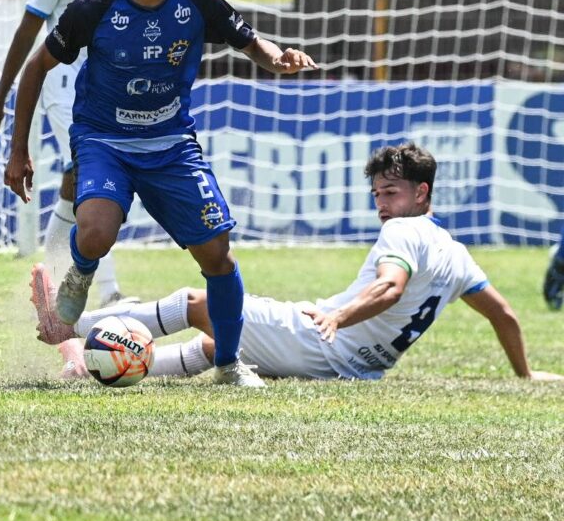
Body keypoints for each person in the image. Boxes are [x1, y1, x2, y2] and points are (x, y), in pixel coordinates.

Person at [5, 0, 317, 387]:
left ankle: (229, 365)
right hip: (104, 139)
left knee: (218, 254)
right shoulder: (97, 5)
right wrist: (19, 149)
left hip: (171, 143)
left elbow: (252, 42)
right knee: (95, 232)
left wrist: (279, 58)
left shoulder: (196, 0)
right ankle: (81, 271)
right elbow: (36, 68)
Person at [31, 142, 563, 384]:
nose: (383, 204)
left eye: (392, 192)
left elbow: (390, 289)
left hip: (323, 341)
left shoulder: (405, 231)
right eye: (377, 193)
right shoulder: (457, 253)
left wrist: (336, 318)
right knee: (222, 344)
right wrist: (526, 372)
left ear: (422, 193)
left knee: (201, 303)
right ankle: (87, 367)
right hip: (361, 367)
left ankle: (71, 325)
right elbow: (504, 316)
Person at [0, 0, 132, 308]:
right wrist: (0, 98)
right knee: (88, 173)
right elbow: (26, 35)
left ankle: (49, 282)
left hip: (111, 93)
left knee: (78, 186)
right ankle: (109, 291)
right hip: (63, 91)